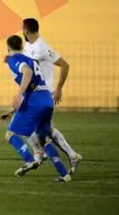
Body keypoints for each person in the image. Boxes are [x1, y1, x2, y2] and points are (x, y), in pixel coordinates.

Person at [1, 35, 71, 182]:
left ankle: (29, 159)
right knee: (44, 140)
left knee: (10, 134)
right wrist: (12, 109)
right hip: (47, 100)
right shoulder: (31, 60)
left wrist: (18, 95)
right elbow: (34, 84)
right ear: (21, 46)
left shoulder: (15, 60)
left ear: (8, 48)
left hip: (34, 102)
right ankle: (64, 174)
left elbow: (27, 72)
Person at [22, 18, 82, 174]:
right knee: (46, 130)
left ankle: (39, 156)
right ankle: (71, 155)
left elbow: (65, 65)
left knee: (25, 125)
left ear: (26, 30)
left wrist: (59, 88)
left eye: (22, 29)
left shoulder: (42, 47)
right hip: (33, 95)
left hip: (43, 95)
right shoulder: (28, 46)